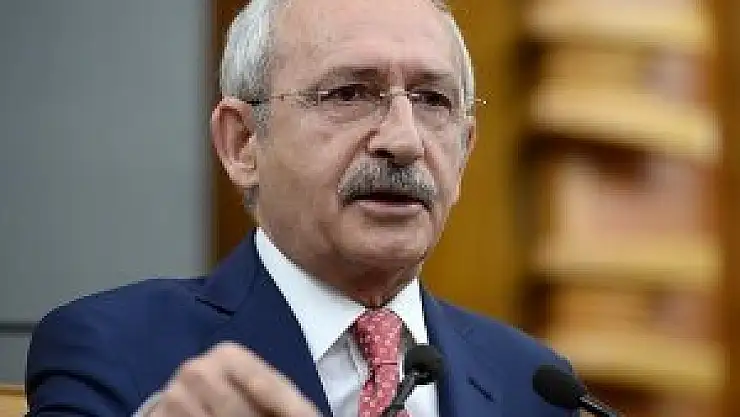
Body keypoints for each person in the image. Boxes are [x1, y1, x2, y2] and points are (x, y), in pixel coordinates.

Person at [25, 0, 574, 416]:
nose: (404, 141)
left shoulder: (532, 382)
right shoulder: (114, 347)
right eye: (350, 93)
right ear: (243, 144)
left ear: (464, 151)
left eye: (433, 100)